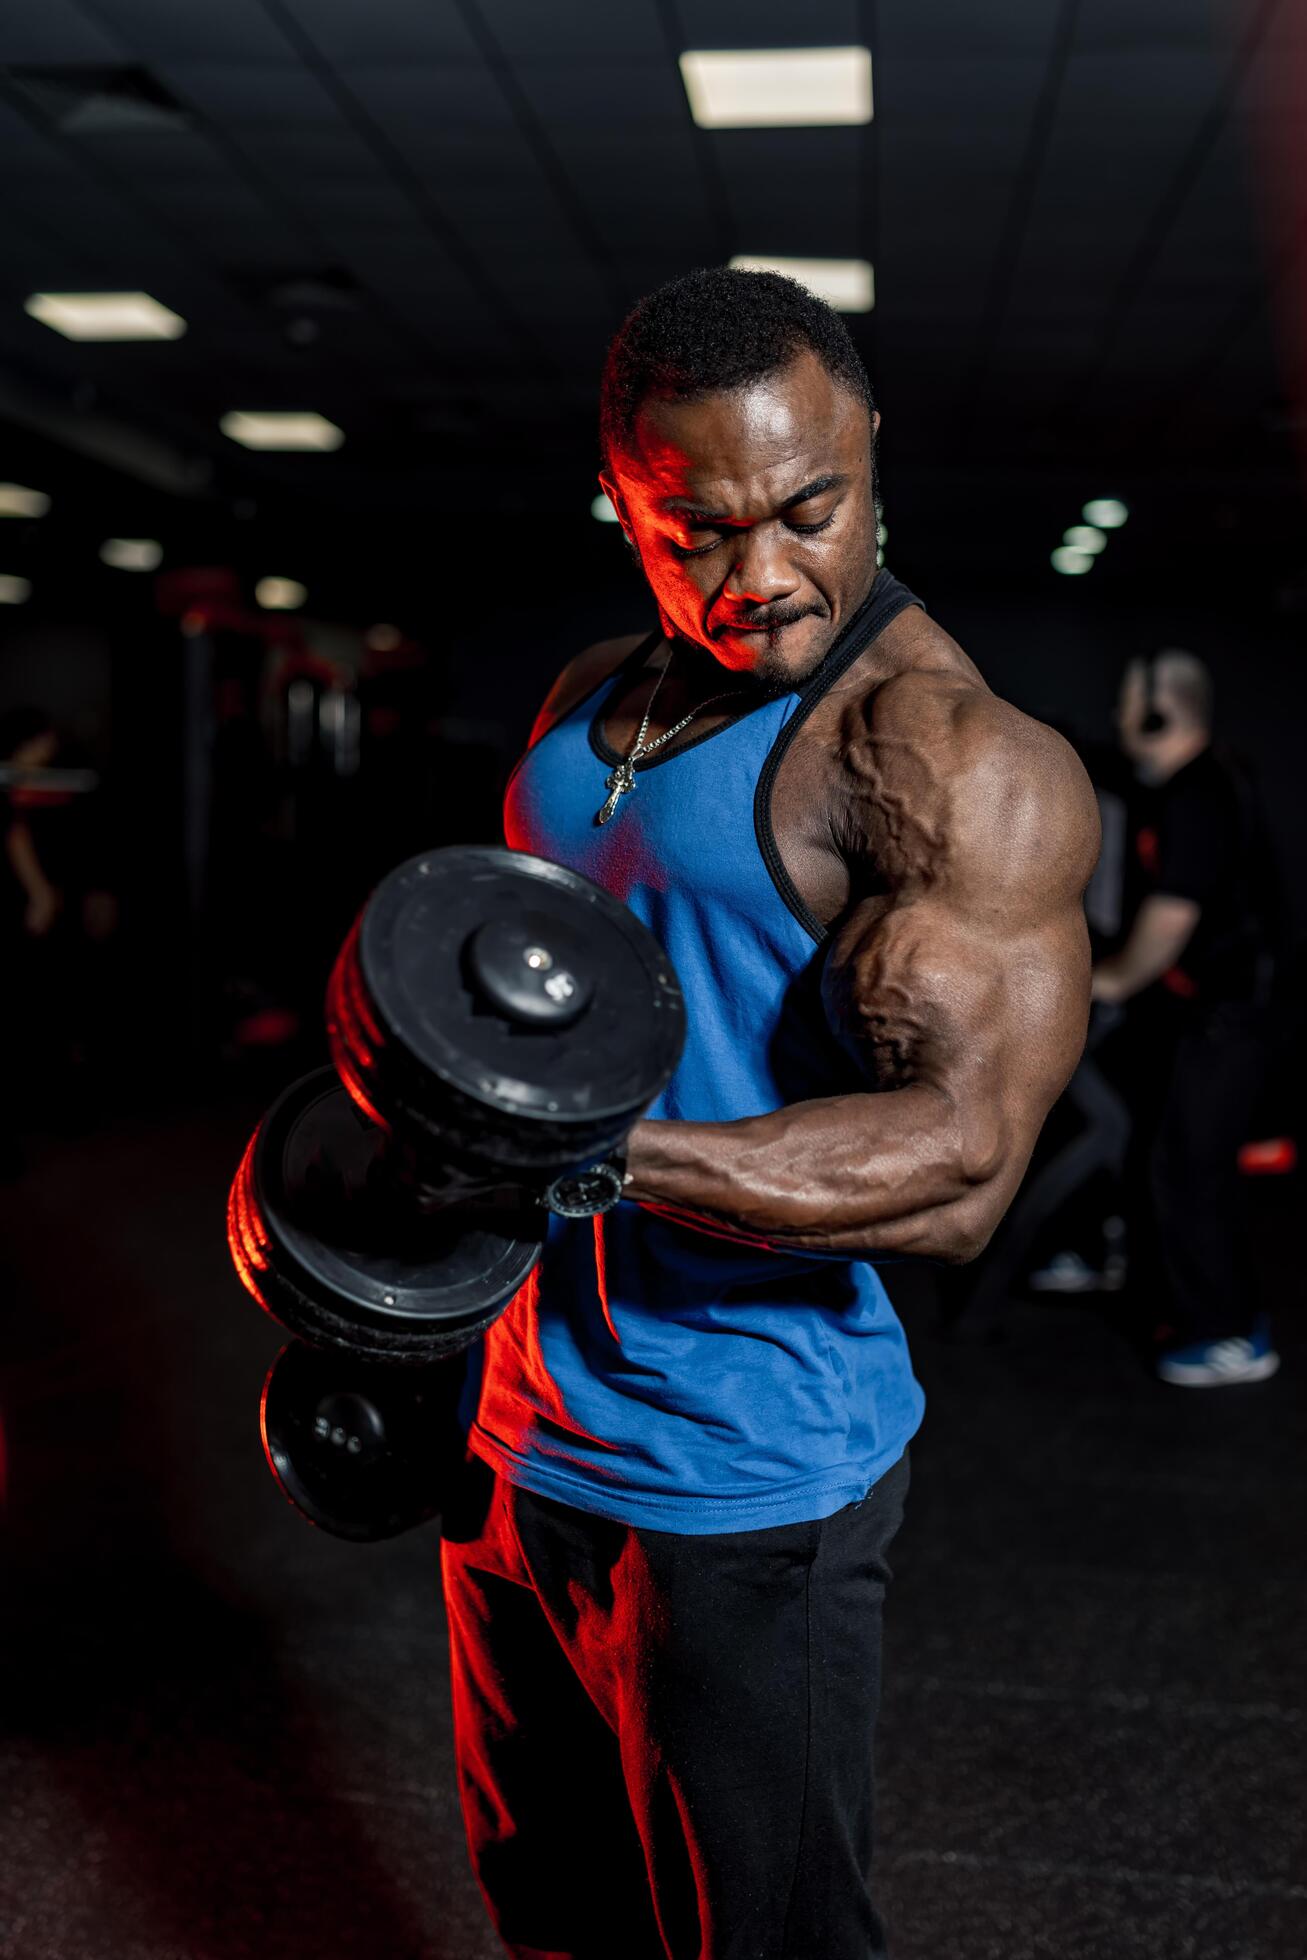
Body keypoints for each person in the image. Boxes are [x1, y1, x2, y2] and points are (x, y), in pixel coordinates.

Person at [440, 267, 1098, 1959]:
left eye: (809, 509)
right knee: (550, 1914)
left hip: (742, 1469)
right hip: (520, 1431)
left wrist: (594, 1160)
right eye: (695, 529)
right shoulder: (595, 693)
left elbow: (958, 1164)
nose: (758, 578)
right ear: (623, 503)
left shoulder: (949, 759)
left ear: (872, 449)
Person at [1091, 650, 1281, 1387]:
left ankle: (1228, 1333)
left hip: (1232, 1014)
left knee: (1188, 1170)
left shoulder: (1196, 794)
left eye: (1125, 705)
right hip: (1216, 1011)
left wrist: (1107, 982)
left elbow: (1170, 919)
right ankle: (1214, 1315)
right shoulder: (1194, 785)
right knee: (1177, 1162)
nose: (1116, 719)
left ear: (1156, 713)